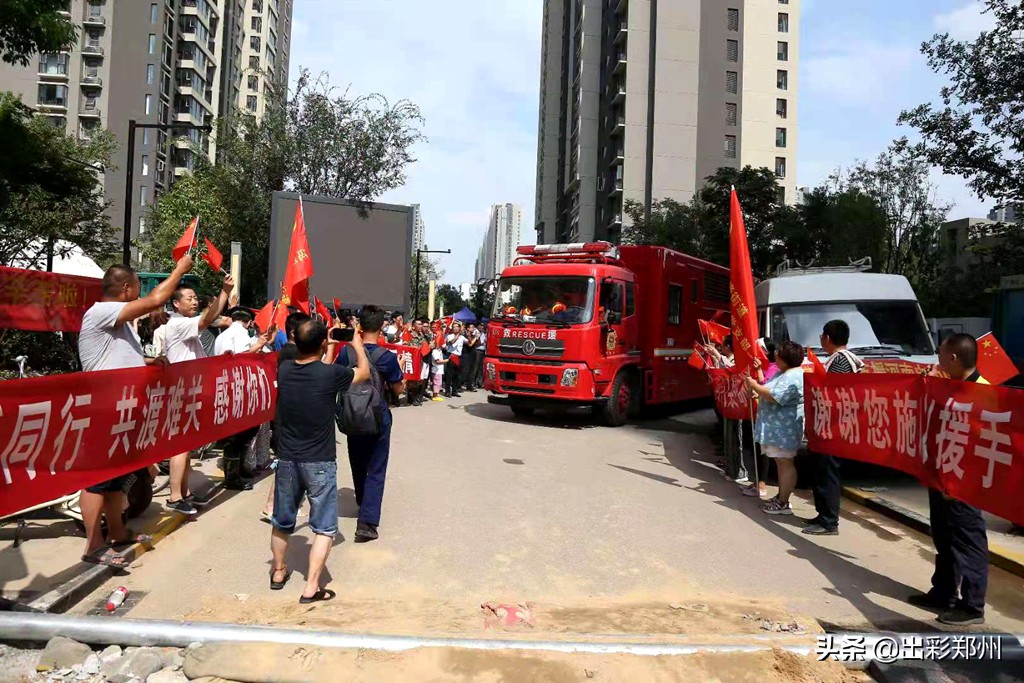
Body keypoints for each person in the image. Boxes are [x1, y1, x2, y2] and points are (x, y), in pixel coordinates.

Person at [77, 256, 193, 568]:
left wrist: (149, 363)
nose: (142, 295)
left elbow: (117, 358)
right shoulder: (103, 311)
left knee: (115, 479)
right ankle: (93, 545)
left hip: (121, 409)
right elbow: (156, 299)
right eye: (138, 289)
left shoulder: (115, 321)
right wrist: (179, 270)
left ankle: (117, 532)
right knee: (97, 480)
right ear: (126, 289)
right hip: (104, 409)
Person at [271, 319, 370, 602]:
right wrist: (356, 344)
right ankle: (311, 586)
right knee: (325, 527)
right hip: (320, 461)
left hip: (288, 459)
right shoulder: (331, 376)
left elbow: (318, 368)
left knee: (282, 521)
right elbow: (362, 372)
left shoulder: (286, 369)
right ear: (323, 343)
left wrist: (327, 344)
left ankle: (278, 571)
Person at [907, 334, 990, 626]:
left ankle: (972, 606)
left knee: (968, 541)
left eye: (941, 356)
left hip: (963, 483)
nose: (938, 361)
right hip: (942, 474)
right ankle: (943, 591)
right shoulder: (951, 385)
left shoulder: (981, 392)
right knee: (943, 535)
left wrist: (959, 484)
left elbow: (981, 447)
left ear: (954, 358)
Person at [162, 276, 234, 515]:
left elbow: (199, 358)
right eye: (189, 298)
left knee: (187, 445)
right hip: (180, 392)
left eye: (195, 298)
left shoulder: (185, 326)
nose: (194, 302)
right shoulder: (178, 324)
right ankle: (174, 497)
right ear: (176, 304)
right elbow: (207, 319)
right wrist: (224, 292)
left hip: (189, 392)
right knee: (180, 446)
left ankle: (185, 493)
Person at [337, 305, 405, 542]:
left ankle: (362, 500)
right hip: (377, 416)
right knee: (376, 467)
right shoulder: (387, 357)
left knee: (357, 460)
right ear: (381, 327)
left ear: (360, 325)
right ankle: (366, 523)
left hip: (352, 413)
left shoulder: (346, 353)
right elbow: (397, 388)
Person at [805, 319, 863, 536]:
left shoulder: (840, 362)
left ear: (827, 338)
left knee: (827, 472)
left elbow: (833, 394)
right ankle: (822, 514)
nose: (821, 339)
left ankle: (829, 521)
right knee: (820, 472)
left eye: (822, 335)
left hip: (834, 427)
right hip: (828, 424)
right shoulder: (841, 359)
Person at [211, 308, 273, 491]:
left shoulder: (222, 335)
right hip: (238, 391)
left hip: (224, 389)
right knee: (238, 437)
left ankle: (237, 471)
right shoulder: (241, 334)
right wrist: (259, 344)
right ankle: (234, 476)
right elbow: (242, 358)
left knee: (235, 435)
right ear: (249, 322)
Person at [744, 341, 805, 515]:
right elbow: (768, 389)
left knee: (785, 463)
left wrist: (755, 386)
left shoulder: (793, 376)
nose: (775, 357)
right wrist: (757, 392)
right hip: (777, 429)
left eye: (778, 354)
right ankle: (781, 497)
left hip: (784, 430)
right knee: (781, 463)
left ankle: (783, 502)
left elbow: (775, 396)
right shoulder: (783, 373)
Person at [743, 341, 779, 499]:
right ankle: (757, 481)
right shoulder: (769, 367)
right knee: (757, 448)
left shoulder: (775, 369)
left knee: (763, 451)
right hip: (760, 413)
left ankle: (761, 484)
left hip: (767, 416)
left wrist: (758, 374)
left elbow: (766, 389)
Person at [443, 322, 465, 397]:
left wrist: (469, 335)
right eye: (454, 327)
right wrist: (458, 334)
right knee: (449, 375)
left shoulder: (462, 337)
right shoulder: (449, 336)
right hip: (451, 356)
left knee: (456, 375)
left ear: (459, 328)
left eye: (457, 327)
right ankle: (447, 391)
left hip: (459, 357)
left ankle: (454, 391)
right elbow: (452, 342)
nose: (455, 328)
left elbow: (469, 343)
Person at [462, 323, 480, 392]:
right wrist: (475, 337)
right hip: (466, 354)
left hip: (473, 354)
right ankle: (459, 385)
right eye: (471, 327)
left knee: (472, 370)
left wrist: (477, 338)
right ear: (468, 328)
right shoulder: (464, 336)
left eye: (473, 327)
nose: (473, 329)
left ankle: (470, 385)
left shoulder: (473, 335)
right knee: (465, 370)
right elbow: (470, 344)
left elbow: (478, 343)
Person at [430, 335, 447, 400]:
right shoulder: (435, 351)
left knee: (438, 382)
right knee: (437, 383)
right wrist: (446, 361)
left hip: (439, 369)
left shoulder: (439, 350)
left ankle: (436, 394)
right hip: (436, 370)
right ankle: (435, 395)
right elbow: (437, 361)